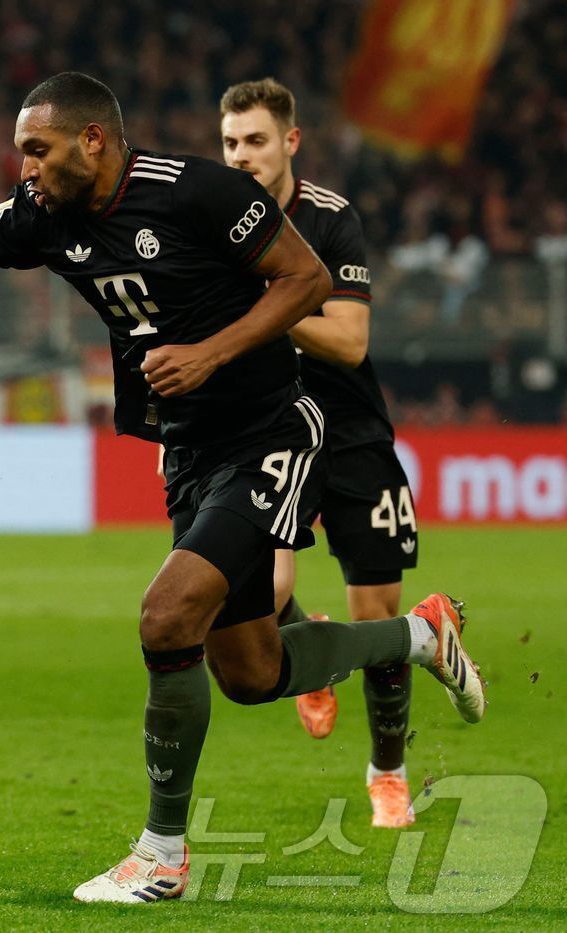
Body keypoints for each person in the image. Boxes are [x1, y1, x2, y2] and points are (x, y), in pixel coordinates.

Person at [0, 72, 485, 905]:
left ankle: (162, 856)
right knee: (251, 672)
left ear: (92, 140)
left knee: (166, 614)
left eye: (38, 149)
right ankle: (418, 637)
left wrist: (211, 352)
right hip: (189, 452)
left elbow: (306, 281)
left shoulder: (198, 192)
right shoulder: (43, 216)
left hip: (272, 433)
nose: (25, 167)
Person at [220, 78, 423, 828]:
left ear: (290, 143)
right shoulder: (214, 222)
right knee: (263, 595)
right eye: (232, 142)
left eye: (256, 141)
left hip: (352, 432)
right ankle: (313, 655)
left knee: (381, 617)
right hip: (269, 428)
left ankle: (388, 770)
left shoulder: (330, 221)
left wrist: (274, 305)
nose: (242, 156)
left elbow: (350, 339)